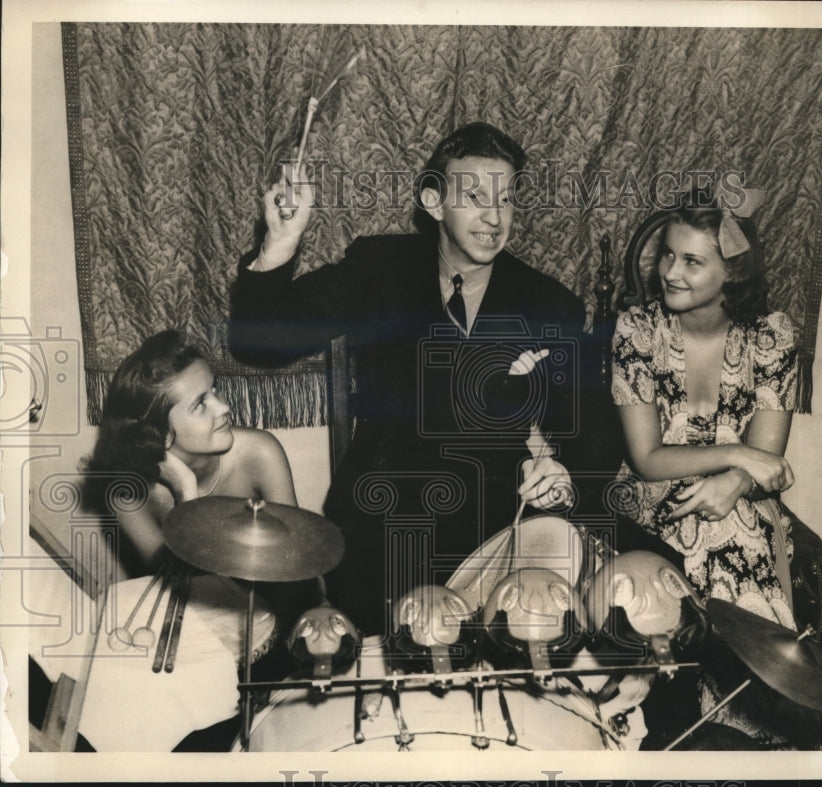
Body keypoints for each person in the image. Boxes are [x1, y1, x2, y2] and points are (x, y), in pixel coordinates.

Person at [229, 122, 621, 636]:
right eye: (475, 196)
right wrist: (280, 244)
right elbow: (258, 343)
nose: (493, 216)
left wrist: (567, 480)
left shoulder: (548, 303)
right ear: (434, 202)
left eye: (505, 198)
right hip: (381, 520)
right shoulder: (379, 268)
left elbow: (594, 425)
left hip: (494, 525)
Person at [610, 188, 822, 749]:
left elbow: (766, 462)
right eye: (667, 255)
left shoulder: (772, 335)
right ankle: (792, 714)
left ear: (732, 273)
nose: (670, 273)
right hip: (649, 495)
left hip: (742, 498)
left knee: (733, 522)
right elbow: (648, 458)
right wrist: (735, 455)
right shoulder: (636, 331)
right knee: (724, 526)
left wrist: (735, 479)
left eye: (692, 261)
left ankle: (756, 720)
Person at [83, 330, 301, 572]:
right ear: (160, 434)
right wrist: (186, 492)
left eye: (215, 391)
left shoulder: (260, 451)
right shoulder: (125, 493)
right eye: (200, 404)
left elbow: (295, 560)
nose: (224, 407)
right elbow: (181, 588)